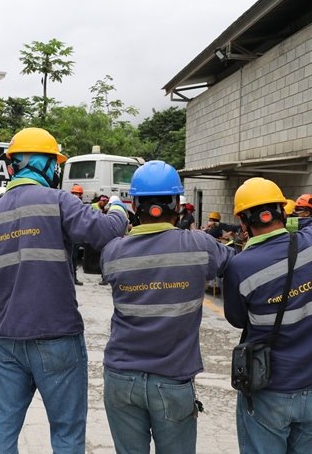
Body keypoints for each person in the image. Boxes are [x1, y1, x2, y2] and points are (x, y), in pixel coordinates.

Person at [0, 127, 128, 453]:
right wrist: (118, 206)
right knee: (67, 433)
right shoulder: (58, 201)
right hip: (56, 335)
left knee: (2, 430)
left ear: (12, 165)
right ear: (47, 165)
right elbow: (106, 232)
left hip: (7, 339)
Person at [100, 161, 233, 454]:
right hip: (172, 380)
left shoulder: (112, 252)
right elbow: (233, 262)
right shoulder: (200, 246)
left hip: (121, 379)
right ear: (178, 205)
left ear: (134, 205)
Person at [223, 177, 312, 454]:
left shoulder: (240, 266)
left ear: (243, 223)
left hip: (269, 386)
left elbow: (238, 319)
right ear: (283, 213)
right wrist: (294, 220)